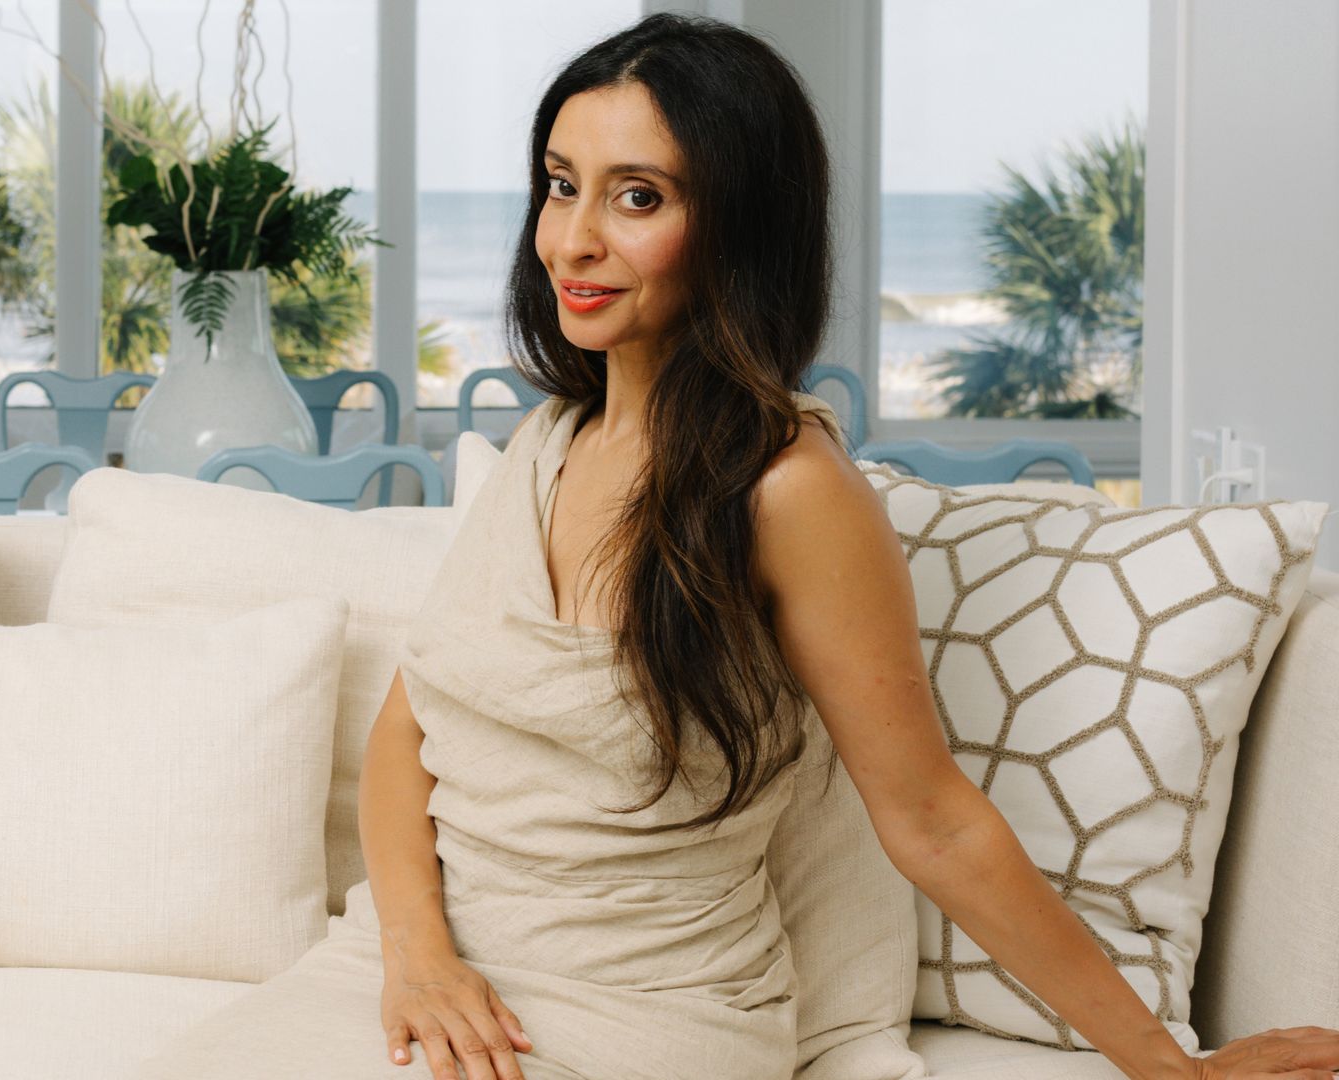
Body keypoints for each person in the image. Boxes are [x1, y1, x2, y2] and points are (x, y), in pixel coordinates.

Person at [132, 13, 1339, 1080]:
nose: (575, 240)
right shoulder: (552, 439)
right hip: (413, 975)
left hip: (641, 1013)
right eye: (562, 184)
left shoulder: (790, 491)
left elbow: (933, 820)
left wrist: (1169, 1069)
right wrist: (418, 957)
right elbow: (413, 731)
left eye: (638, 196)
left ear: (738, 229)